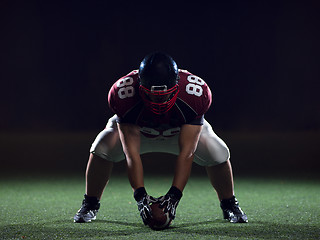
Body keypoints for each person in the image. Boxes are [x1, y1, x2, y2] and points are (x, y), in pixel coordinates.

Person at [73, 52, 248, 225]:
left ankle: (229, 205)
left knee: (216, 151)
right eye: (152, 95)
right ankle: (90, 204)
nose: (159, 101)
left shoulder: (193, 94)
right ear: (140, 86)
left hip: (179, 132)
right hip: (140, 131)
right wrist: (140, 195)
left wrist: (174, 195)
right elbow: (131, 153)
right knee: (102, 146)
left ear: (177, 85)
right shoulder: (124, 94)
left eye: (165, 95)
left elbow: (187, 152)